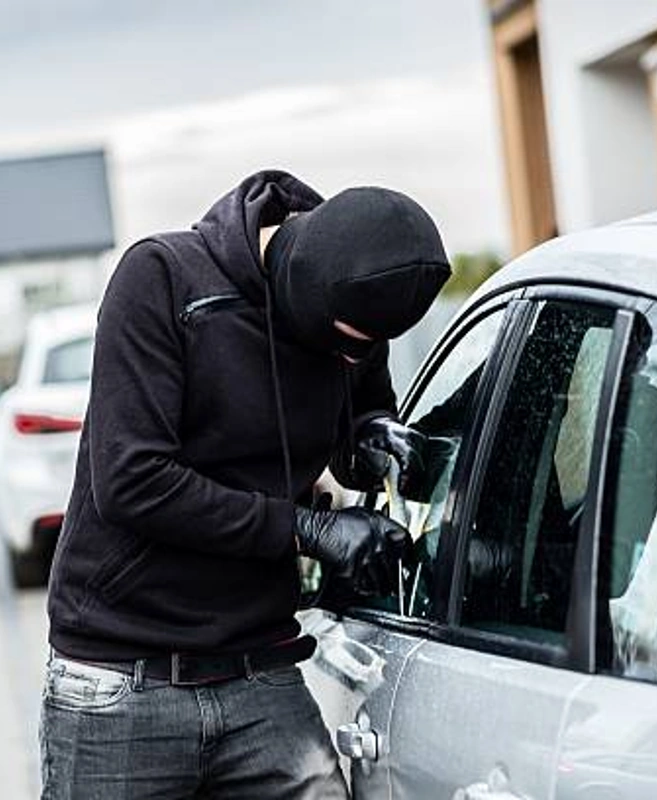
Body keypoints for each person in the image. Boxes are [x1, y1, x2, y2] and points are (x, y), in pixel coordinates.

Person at [40, 170, 451, 799]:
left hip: (260, 670)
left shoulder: (356, 312)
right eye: (347, 346)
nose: (355, 360)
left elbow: (353, 427)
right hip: (122, 681)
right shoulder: (163, 279)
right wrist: (306, 529)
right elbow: (131, 481)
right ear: (299, 289)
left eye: (369, 350)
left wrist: (370, 436)